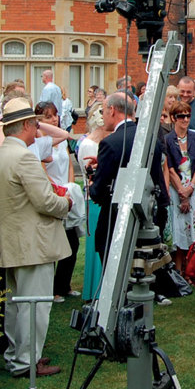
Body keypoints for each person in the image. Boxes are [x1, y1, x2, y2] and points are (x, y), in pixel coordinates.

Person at [0, 98, 71, 377]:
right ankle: (27, 360)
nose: (37, 129)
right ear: (25, 125)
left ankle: (17, 355)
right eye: (35, 125)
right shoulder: (23, 156)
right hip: (33, 242)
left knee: (17, 304)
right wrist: (68, 204)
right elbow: (45, 201)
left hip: (13, 240)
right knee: (35, 305)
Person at [88, 92, 169, 270]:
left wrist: (92, 184)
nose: (102, 117)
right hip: (147, 219)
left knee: (115, 274)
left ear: (112, 110)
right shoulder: (150, 139)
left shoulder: (110, 143)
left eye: (103, 111)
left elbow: (100, 192)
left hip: (116, 221)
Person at [35, 101, 80, 303]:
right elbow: (42, 172)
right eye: (48, 117)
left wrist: (70, 186)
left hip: (67, 192)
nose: (54, 119)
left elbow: (69, 164)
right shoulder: (39, 143)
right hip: (52, 193)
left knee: (73, 241)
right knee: (54, 243)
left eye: (55, 115)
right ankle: (52, 289)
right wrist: (58, 191)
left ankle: (64, 284)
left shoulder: (61, 139)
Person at [165, 101, 195, 274]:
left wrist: (191, 188)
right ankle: (179, 268)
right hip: (177, 188)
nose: (185, 119)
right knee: (179, 226)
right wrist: (182, 192)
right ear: (173, 118)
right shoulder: (167, 139)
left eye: (188, 115)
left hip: (194, 186)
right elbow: (170, 169)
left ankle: (193, 268)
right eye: (181, 116)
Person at [77, 102, 110, 301]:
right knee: (97, 242)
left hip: (96, 198)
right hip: (94, 199)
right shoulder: (89, 145)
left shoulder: (93, 143)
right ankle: (96, 289)